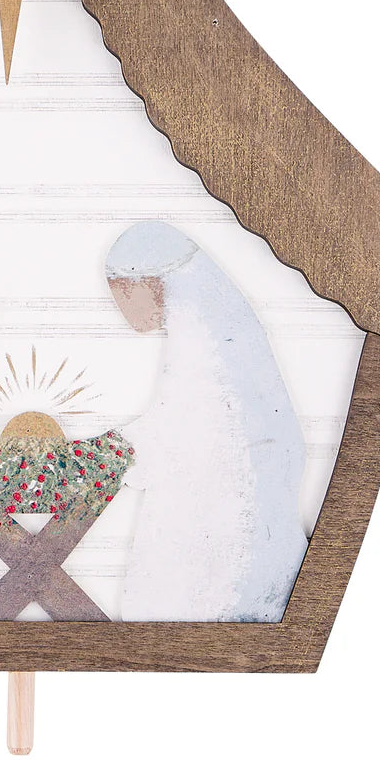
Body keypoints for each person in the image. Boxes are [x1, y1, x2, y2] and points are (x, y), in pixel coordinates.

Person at [106, 221, 308, 622]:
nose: (121, 307)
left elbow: (184, 429)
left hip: (234, 533)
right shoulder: (216, 333)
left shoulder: (207, 344)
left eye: (121, 293)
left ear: (150, 284)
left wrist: (105, 451)